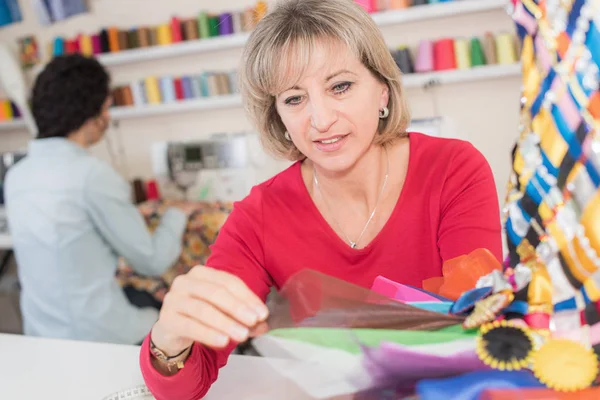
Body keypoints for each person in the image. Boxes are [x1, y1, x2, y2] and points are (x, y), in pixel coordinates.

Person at [140, 0, 503, 398]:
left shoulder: (452, 169)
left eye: (340, 87)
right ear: (277, 115)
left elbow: (478, 326)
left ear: (382, 91)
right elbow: (183, 387)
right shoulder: (259, 217)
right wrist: (169, 340)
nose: (321, 119)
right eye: (294, 99)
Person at [4, 54, 190, 345]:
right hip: (98, 335)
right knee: (178, 313)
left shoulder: (16, 176)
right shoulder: (91, 176)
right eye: (106, 107)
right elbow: (152, 261)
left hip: (41, 334)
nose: (108, 117)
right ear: (91, 115)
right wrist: (177, 214)